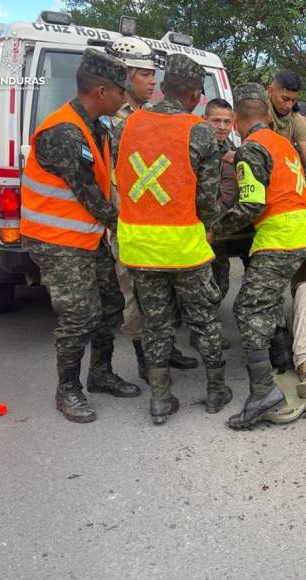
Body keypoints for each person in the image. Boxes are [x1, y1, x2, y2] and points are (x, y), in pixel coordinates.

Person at [20, 49, 138, 423]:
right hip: (56, 240)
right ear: (101, 91)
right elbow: (90, 197)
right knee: (80, 314)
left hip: (87, 236)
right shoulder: (64, 133)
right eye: (121, 91)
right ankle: (67, 389)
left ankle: (100, 374)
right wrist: (133, 228)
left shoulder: (95, 127)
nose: (125, 97)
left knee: (110, 304)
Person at [114, 54, 230, 425]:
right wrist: (211, 224)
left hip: (139, 246)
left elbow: (120, 181)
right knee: (203, 318)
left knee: (156, 322)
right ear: (196, 94)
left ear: (164, 86)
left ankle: (160, 399)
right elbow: (207, 199)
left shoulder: (126, 126)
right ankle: (215, 391)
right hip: (183, 247)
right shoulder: (198, 131)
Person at [212, 82, 306, 429]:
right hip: (300, 232)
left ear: (239, 122)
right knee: (267, 298)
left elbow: (250, 204)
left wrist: (216, 229)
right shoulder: (282, 143)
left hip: (280, 237)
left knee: (248, 306)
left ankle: (262, 393)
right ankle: (281, 357)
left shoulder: (251, 149)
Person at [105, 36, 199, 379]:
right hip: (129, 220)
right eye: (145, 74)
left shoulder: (145, 115)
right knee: (133, 292)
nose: (152, 80)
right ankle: (146, 359)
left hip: (160, 221)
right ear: (124, 74)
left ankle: (164, 348)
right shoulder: (112, 118)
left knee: (163, 293)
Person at [202, 98, 252, 324]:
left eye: (226, 121)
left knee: (219, 281)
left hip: (217, 228)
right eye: (216, 121)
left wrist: (214, 223)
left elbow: (230, 193)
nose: (221, 126)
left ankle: (206, 325)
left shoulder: (234, 153)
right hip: (191, 226)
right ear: (205, 120)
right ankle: (203, 329)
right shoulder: (194, 149)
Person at [266, 70, 306, 170]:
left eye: (293, 100)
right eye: (285, 99)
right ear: (270, 91)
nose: (289, 105)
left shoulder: (296, 118)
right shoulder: (258, 108)